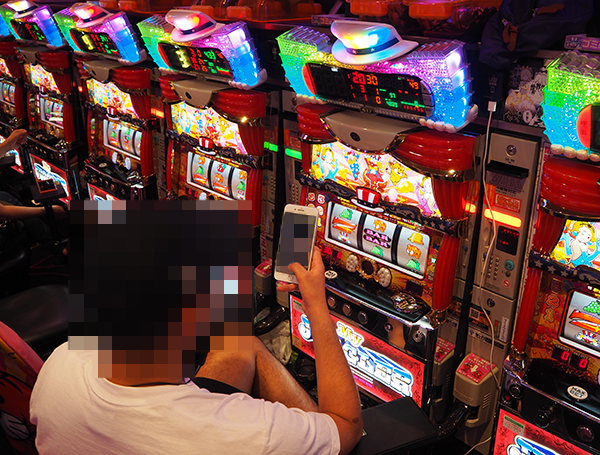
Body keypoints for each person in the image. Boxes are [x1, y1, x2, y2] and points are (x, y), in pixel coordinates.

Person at [30, 248, 363, 455]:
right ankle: (313, 440)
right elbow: (348, 425)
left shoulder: (63, 359)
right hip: (192, 434)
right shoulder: (248, 435)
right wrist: (315, 304)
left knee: (240, 345)